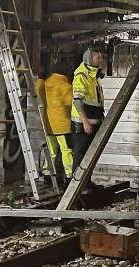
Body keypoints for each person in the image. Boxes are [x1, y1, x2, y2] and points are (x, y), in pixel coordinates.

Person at [70, 47, 105, 183]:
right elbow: (77, 100)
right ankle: (76, 185)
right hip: (82, 124)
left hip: (94, 121)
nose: (100, 60)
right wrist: (85, 122)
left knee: (90, 155)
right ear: (90, 59)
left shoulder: (93, 75)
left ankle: (86, 183)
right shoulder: (82, 75)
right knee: (80, 156)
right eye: (98, 58)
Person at [43, 62, 75, 180]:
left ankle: (46, 175)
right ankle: (69, 175)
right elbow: (70, 103)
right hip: (62, 126)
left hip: (48, 125)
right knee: (66, 150)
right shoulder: (65, 86)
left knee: (51, 151)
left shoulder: (46, 83)